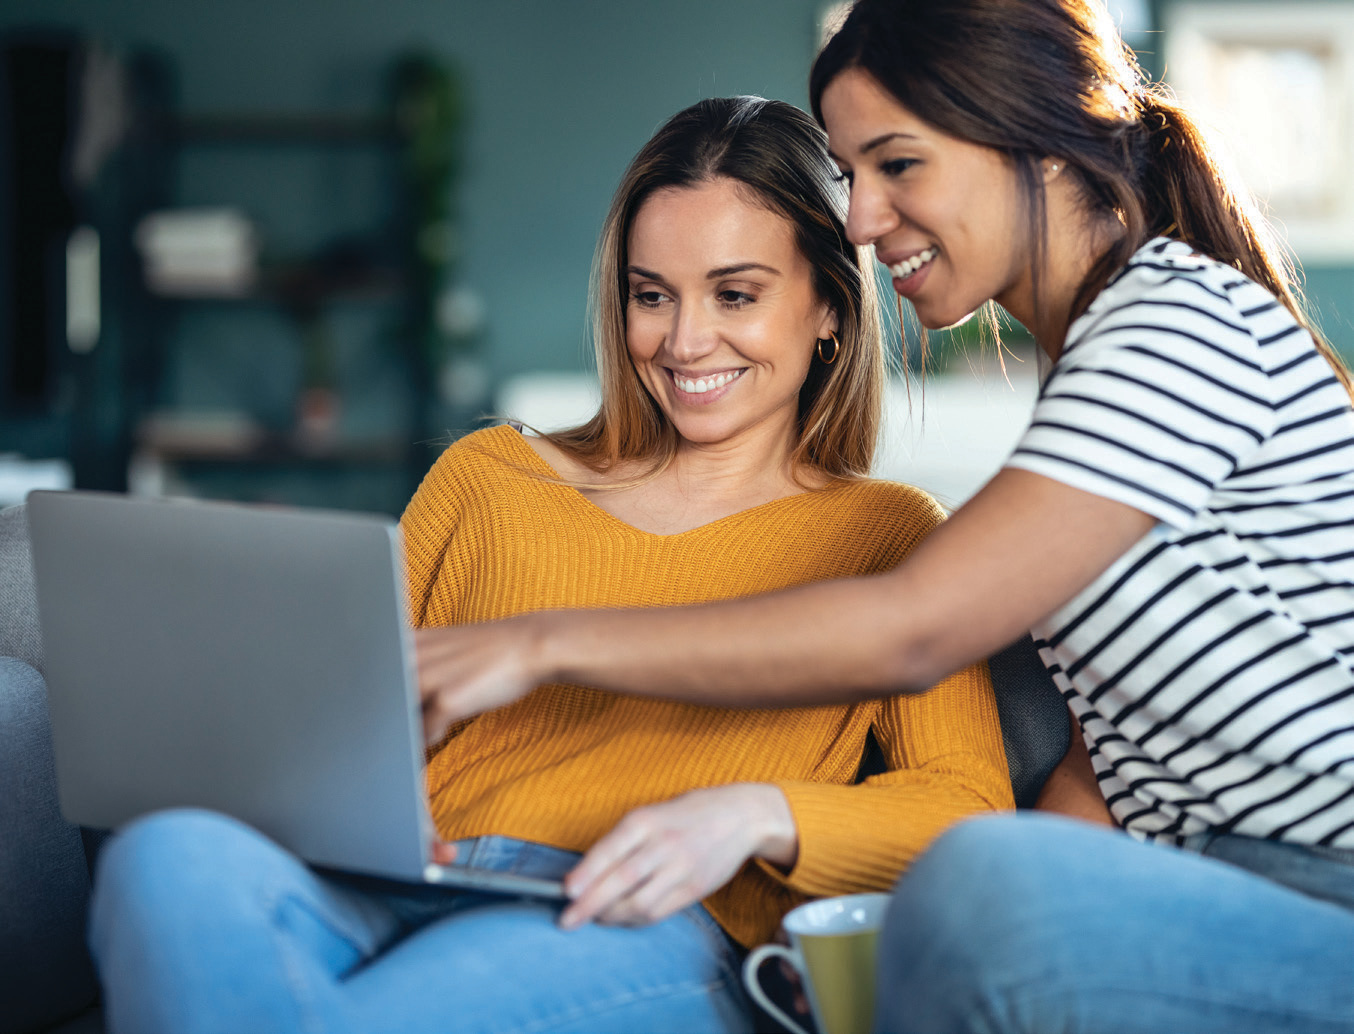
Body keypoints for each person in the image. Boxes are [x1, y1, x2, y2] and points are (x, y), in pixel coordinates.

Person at [414, 2, 1354, 1031]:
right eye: (852, 174)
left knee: (977, 878)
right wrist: (896, 935)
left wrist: (542, 644)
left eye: (897, 165)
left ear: (1036, 144)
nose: (860, 219)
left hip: (1319, 890)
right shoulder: (1099, 364)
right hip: (1210, 889)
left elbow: (912, 627)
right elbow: (1105, 769)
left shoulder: (1174, 324)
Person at [86, 95, 1014, 1034]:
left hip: (629, 913)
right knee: (164, 858)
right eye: (652, 295)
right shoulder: (489, 476)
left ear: (830, 310)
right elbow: (352, 713)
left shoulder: (890, 537)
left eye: (735, 295)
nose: (684, 341)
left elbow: (966, 811)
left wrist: (757, 814)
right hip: (403, 878)